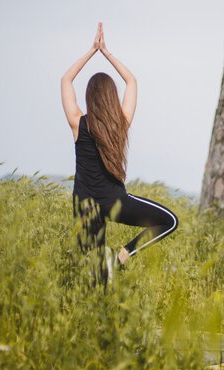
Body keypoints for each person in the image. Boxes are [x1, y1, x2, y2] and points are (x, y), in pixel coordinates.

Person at [61, 22, 178, 278]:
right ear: (112, 96)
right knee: (169, 221)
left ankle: (103, 285)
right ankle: (122, 256)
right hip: (115, 202)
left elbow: (66, 79)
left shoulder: (78, 123)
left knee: (92, 279)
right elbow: (132, 81)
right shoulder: (120, 124)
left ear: (90, 97)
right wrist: (107, 53)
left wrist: (92, 51)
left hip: (84, 206)